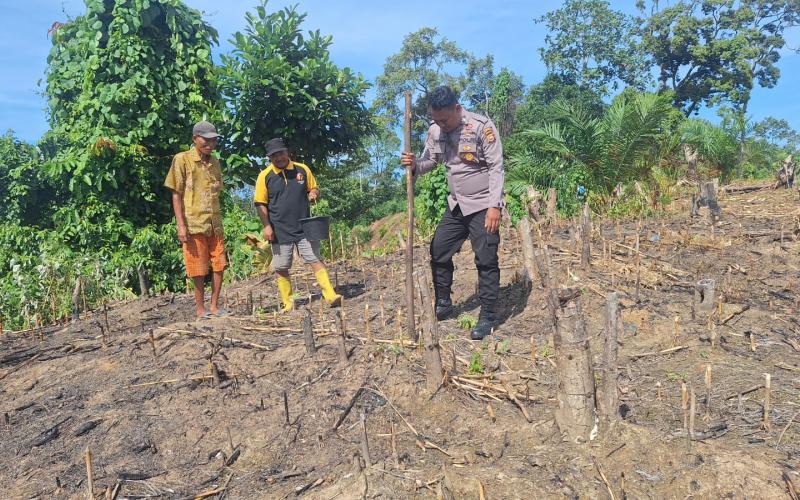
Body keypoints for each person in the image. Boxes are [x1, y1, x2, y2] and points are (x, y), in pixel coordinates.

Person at [400, 86, 504, 340]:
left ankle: (488, 314)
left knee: (486, 259)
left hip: (482, 205)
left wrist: (494, 206)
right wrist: (413, 165)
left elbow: (496, 167)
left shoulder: (482, 127)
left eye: (444, 119)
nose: (441, 125)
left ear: (457, 108)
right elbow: (430, 162)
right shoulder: (435, 130)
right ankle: (443, 301)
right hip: (456, 204)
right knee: (438, 249)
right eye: (436, 119)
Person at [253, 138, 342, 311]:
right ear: (269, 158)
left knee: (315, 259)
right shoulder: (265, 176)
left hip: (305, 225)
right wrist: (266, 226)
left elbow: (314, 188)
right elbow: (260, 203)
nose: (278, 158)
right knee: (281, 266)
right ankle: (288, 302)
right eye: (274, 156)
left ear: (287, 152)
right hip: (279, 228)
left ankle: (330, 295)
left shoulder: (302, 169)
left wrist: (314, 193)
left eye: (281, 153)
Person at [164, 120, 228, 318]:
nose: (210, 144)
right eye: (206, 140)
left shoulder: (215, 162)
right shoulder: (182, 159)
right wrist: (181, 225)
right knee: (197, 268)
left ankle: (214, 306)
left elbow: (217, 190)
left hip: (214, 223)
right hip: (193, 223)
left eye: (214, 140)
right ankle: (200, 310)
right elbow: (176, 193)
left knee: (220, 264)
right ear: (195, 139)